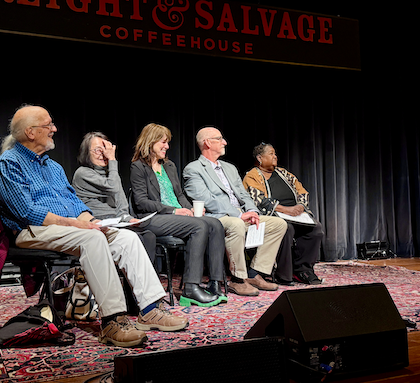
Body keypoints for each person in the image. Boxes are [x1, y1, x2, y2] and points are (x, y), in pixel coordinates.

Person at [0, 105, 187, 348]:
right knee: (92, 239)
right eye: (48, 125)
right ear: (30, 132)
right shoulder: (8, 164)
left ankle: (150, 309)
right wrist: (78, 226)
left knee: (125, 237)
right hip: (30, 231)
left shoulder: (53, 167)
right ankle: (113, 320)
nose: (54, 129)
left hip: (68, 228)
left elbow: (74, 203)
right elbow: (27, 212)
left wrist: (93, 222)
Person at [130, 123, 234, 304]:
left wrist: (191, 209)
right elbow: (141, 202)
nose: (167, 146)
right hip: (152, 218)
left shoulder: (168, 165)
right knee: (200, 226)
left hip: (177, 217)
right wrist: (174, 210)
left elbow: (179, 195)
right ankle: (191, 288)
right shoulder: (138, 167)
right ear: (150, 142)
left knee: (215, 223)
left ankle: (214, 283)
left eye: (168, 142)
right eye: (163, 142)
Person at [183, 127, 287, 293]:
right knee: (236, 224)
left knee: (278, 224)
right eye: (219, 139)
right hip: (217, 218)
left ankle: (254, 273)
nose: (224, 142)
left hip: (241, 215)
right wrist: (238, 214)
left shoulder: (229, 168)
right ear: (208, 143)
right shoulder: (193, 169)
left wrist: (253, 212)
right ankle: (238, 279)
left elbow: (244, 195)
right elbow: (206, 200)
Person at [242, 143, 324, 285]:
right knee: (287, 228)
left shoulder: (284, 173)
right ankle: (284, 273)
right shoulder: (252, 176)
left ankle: (303, 270)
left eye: (275, 154)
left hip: (295, 213)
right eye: (271, 154)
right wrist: (285, 210)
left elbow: (302, 191)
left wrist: (300, 206)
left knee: (315, 229)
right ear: (260, 158)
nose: (275, 157)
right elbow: (258, 200)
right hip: (273, 215)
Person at [71, 131, 157, 264]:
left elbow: (121, 202)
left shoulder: (111, 174)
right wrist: (112, 159)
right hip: (97, 223)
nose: (104, 154)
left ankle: (142, 282)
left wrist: (128, 218)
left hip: (115, 222)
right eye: (98, 150)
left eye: (106, 150)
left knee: (149, 236)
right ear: (86, 152)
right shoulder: (82, 173)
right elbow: (113, 187)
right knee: (136, 238)